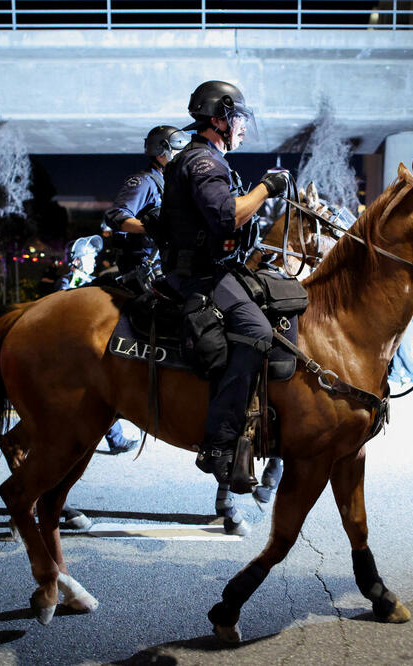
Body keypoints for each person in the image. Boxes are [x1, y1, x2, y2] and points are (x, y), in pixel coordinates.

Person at [160, 80, 288, 486]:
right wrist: (267, 187)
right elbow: (226, 216)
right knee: (256, 330)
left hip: (215, 267)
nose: (243, 128)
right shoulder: (202, 162)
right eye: (238, 120)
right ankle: (219, 444)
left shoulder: (209, 158)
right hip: (198, 274)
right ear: (219, 118)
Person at [59, 235, 140, 456]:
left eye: (94, 255)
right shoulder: (71, 280)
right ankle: (115, 439)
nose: (93, 259)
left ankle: (116, 439)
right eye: (89, 255)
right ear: (76, 260)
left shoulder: (88, 278)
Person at [102, 125, 188, 276]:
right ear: (161, 153)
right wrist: (152, 228)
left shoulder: (170, 183)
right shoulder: (144, 182)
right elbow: (115, 216)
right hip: (144, 266)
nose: (182, 156)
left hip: (166, 262)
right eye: (177, 151)